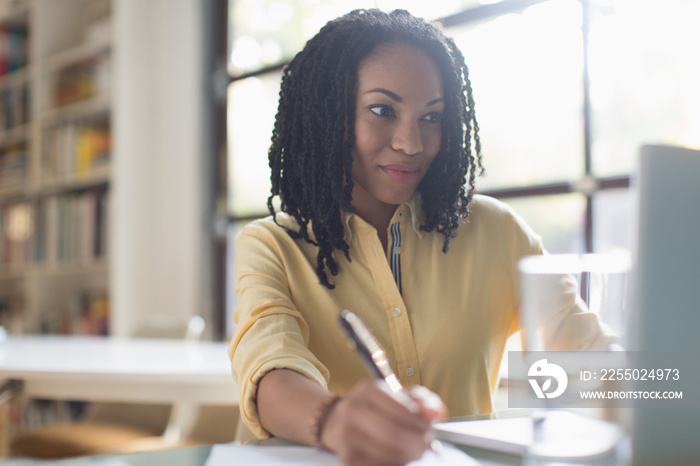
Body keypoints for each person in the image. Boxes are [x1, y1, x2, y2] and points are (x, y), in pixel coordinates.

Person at [228, 8, 611, 466]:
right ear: (326, 115)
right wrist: (334, 419)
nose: (412, 143)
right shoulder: (272, 244)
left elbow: (593, 359)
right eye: (382, 111)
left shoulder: (498, 232)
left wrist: (671, 381)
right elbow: (270, 371)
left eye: (431, 118)